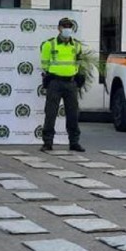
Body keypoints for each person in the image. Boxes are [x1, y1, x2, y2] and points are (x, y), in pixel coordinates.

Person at [40, 17, 86, 152]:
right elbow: (44, 64)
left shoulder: (76, 45)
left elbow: (78, 62)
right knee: (51, 113)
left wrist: (77, 74)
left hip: (71, 83)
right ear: (59, 28)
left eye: (69, 26)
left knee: (73, 114)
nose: (67, 29)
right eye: (64, 26)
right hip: (55, 82)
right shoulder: (50, 44)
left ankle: (74, 142)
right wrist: (50, 75)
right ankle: (47, 142)